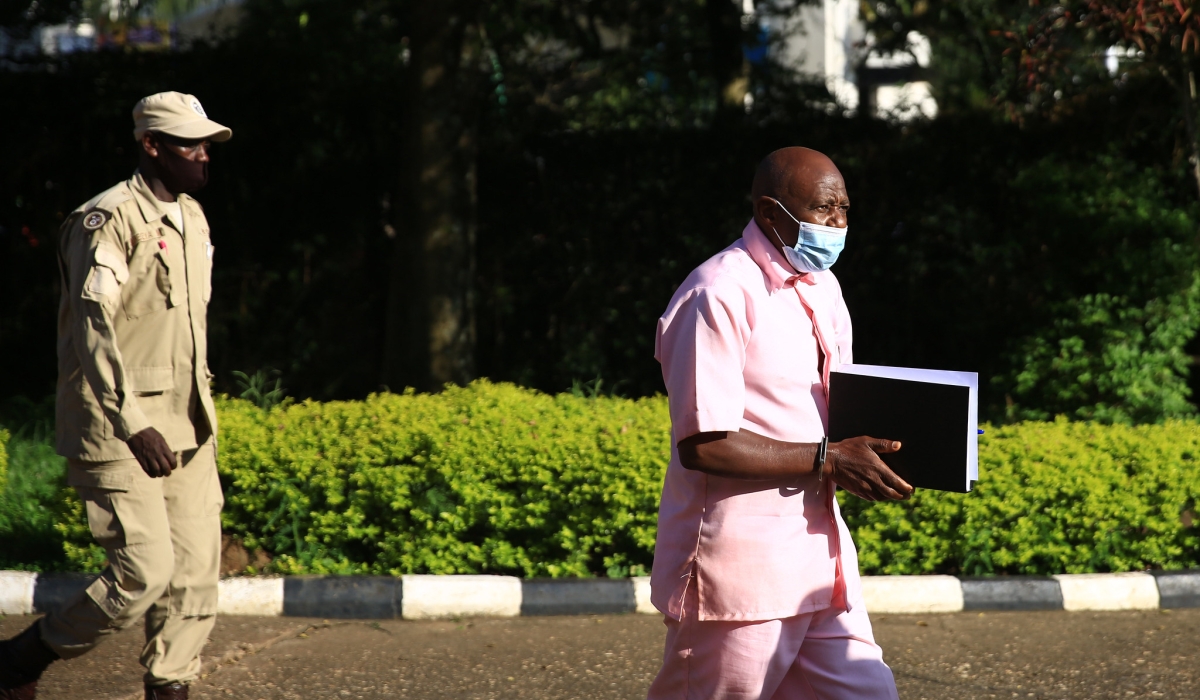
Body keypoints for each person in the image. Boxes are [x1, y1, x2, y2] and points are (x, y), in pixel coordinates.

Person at [646, 147, 914, 700]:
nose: (838, 224)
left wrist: (893, 448)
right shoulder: (716, 293)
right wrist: (829, 458)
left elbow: (838, 412)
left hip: (820, 563)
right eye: (824, 210)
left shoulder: (824, 288)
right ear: (771, 213)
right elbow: (704, 444)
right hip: (741, 575)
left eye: (844, 209)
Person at [0, 92, 231, 700]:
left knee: (196, 577)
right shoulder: (105, 220)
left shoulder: (193, 218)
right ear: (151, 145)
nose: (203, 154)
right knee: (144, 573)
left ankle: (170, 687)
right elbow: (92, 325)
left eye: (206, 142)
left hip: (187, 421)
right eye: (188, 143)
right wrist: (132, 422)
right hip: (118, 425)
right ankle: (22, 659)